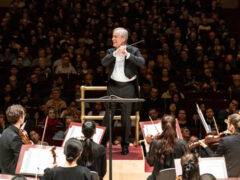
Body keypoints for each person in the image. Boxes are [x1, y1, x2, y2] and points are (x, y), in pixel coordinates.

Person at [101, 27, 145, 155]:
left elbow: (141, 63)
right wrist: (115, 54)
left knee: (126, 117)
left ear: (123, 38)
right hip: (113, 86)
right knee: (108, 116)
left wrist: (127, 54)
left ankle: (125, 145)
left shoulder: (134, 50)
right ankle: (103, 143)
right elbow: (104, 62)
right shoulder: (110, 51)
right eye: (113, 36)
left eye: (115, 36)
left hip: (128, 87)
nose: (113, 39)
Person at [146, 115, 188, 180]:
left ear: (161, 126)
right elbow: (187, 164)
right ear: (175, 126)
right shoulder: (182, 143)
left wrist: (148, 145)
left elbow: (150, 163)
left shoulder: (155, 143)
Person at [0, 104, 25, 174]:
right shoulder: (15, 137)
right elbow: (20, 160)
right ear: (20, 118)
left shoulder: (6, 131)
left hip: (4, 170)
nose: (24, 116)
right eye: (24, 114)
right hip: (12, 174)